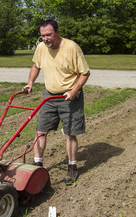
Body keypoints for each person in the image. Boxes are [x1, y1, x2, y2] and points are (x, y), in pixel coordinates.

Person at [24, 19, 90, 184]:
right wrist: (30, 83)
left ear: (57, 32)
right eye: (43, 35)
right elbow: (35, 66)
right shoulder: (41, 48)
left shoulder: (72, 48)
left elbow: (85, 73)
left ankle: (72, 167)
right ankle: (37, 164)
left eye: (48, 34)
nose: (45, 38)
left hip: (69, 97)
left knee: (69, 134)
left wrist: (74, 91)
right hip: (49, 96)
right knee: (41, 131)